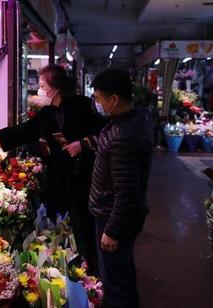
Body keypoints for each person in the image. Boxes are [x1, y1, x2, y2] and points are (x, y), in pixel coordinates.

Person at [0, 64, 106, 273]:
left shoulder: (83, 106)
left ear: (55, 87)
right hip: (59, 178)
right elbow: (23, 131)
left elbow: (104, 133)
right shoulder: (47, 113)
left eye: (42, 85)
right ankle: (70, 265)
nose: (39, 89)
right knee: (63, 224)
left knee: (85, 226)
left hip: (83, 178)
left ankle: (92, 272)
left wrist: (83, 144)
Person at [89, 69, 153, 308]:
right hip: (123, 217)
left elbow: (126, 194)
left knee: (115, 285)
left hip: (112, 218)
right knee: (123, 274)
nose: (96, 103)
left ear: (114, 100)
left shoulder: (122, 137)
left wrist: (112, 231)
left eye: (97, 98)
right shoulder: (137, 119)